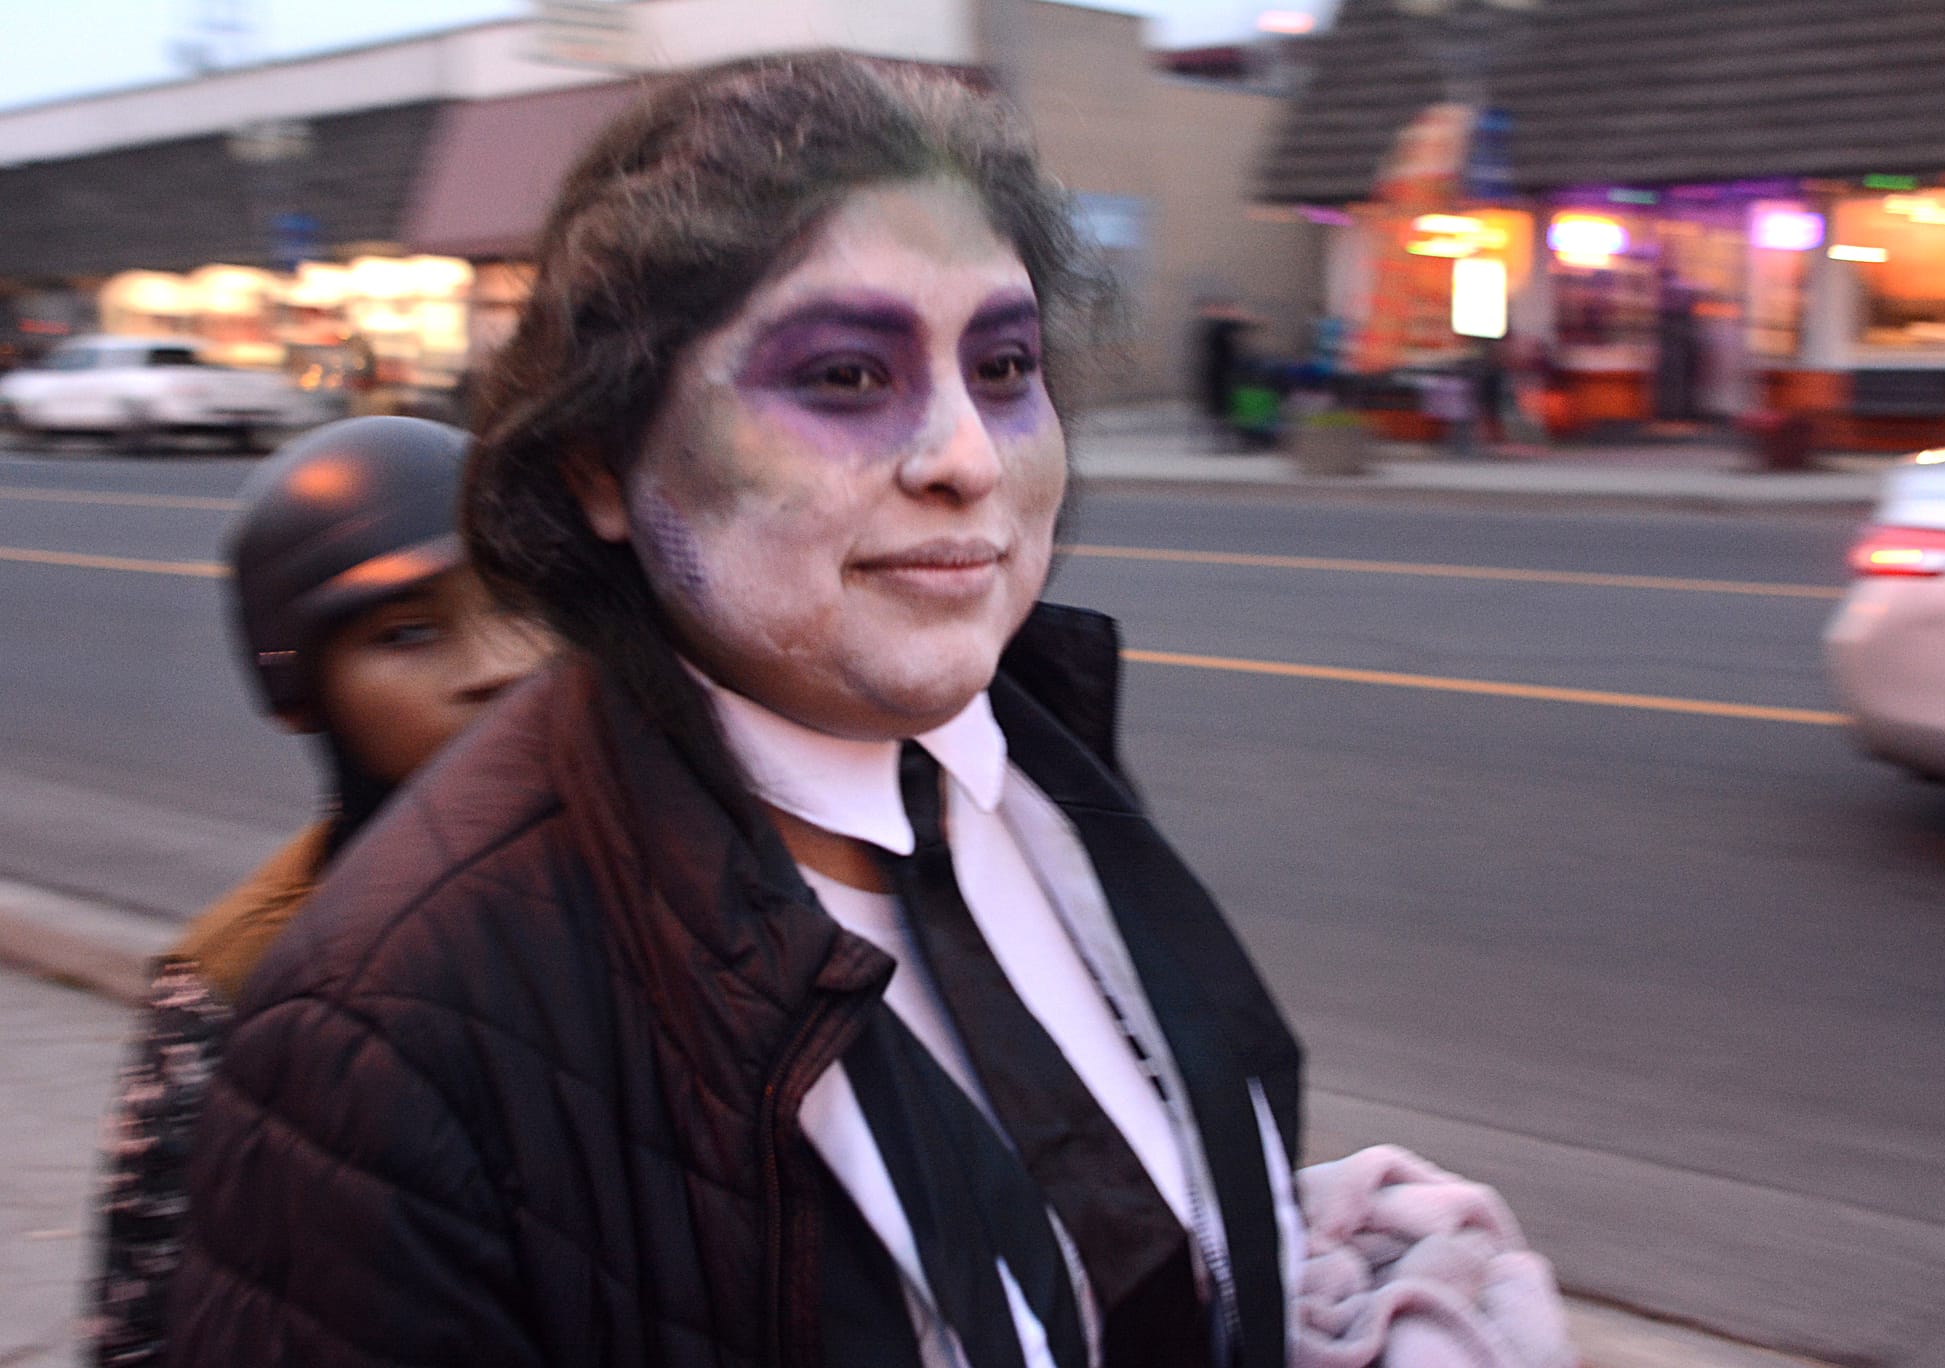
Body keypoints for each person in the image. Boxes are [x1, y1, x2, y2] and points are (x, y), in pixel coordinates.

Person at [164, 53, 1303, 1368]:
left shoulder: (1042, 764)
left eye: (1002, 365)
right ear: (602, 462)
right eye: (844, 377)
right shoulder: (383, 1031)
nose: (969, 458)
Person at [90, 416, 549, 1366]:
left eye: (523, 601)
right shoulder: (238, 985)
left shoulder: (699, 884)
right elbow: (145, 1329)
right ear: (304, 692)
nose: (500, 664)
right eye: (409, 632)